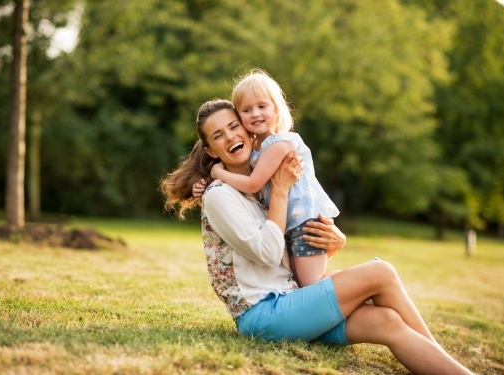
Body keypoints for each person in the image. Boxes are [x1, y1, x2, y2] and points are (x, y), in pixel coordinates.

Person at [160, 99, 473, 375]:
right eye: (218, 135)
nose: (230, 136)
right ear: (211, 150)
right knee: (381, 272)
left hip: (291, 301)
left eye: (233, 127)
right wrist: (282, 191)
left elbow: (287, 262)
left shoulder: (258, 188)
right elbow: (268, 254)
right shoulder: (220, 196)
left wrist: (333, 245)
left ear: (247, 130)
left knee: (387, 321)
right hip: (263, 316)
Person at [200, 69, 339, 288]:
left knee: (312, 286)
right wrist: (202, 184)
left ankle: (364, 286)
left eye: (262, 106)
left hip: (306, 224)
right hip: (290, 227)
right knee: (304, 285)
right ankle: (362, 287)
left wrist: (218, 173)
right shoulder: (256, 148)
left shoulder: (278, 144)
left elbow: (253, 183)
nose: (255, 113)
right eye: (247, 110)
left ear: (276, 108)